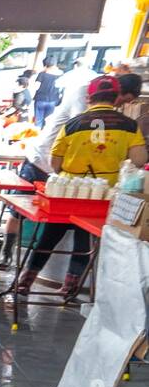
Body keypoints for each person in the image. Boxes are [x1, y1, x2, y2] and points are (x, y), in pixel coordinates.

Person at [14, 75, 146, 300]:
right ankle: (70, 287)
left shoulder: (73, 124)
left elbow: (55, 163)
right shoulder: (129, 125)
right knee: (84, 241)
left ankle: (26, 281)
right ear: (116, 97)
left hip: (67, 193)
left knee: (48, 238)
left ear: (90, 97)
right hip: (103, 195)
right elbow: (140, 159)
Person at [32, 57, 61, 126]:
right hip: (53, 100)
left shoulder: (42, 74)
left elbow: (36, 87)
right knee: (48, 120)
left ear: (45, 65)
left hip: (40, 99)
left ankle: (37, 133)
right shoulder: (60, 75)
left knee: (38, 120)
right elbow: (61, 89)